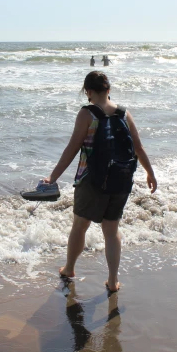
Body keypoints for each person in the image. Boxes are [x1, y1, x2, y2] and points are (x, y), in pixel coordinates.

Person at [43, 71, 157, 292]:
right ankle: (113, 281)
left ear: (88, 92)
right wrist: (150, 173)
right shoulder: (124, 114)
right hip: (121, 180)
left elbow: (73, 148)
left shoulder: (87, 114)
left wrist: (53, 177)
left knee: (80, 226)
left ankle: (69, 268)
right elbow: (138, 148)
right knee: (112, 231)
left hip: (92, 181)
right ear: (109, 90)